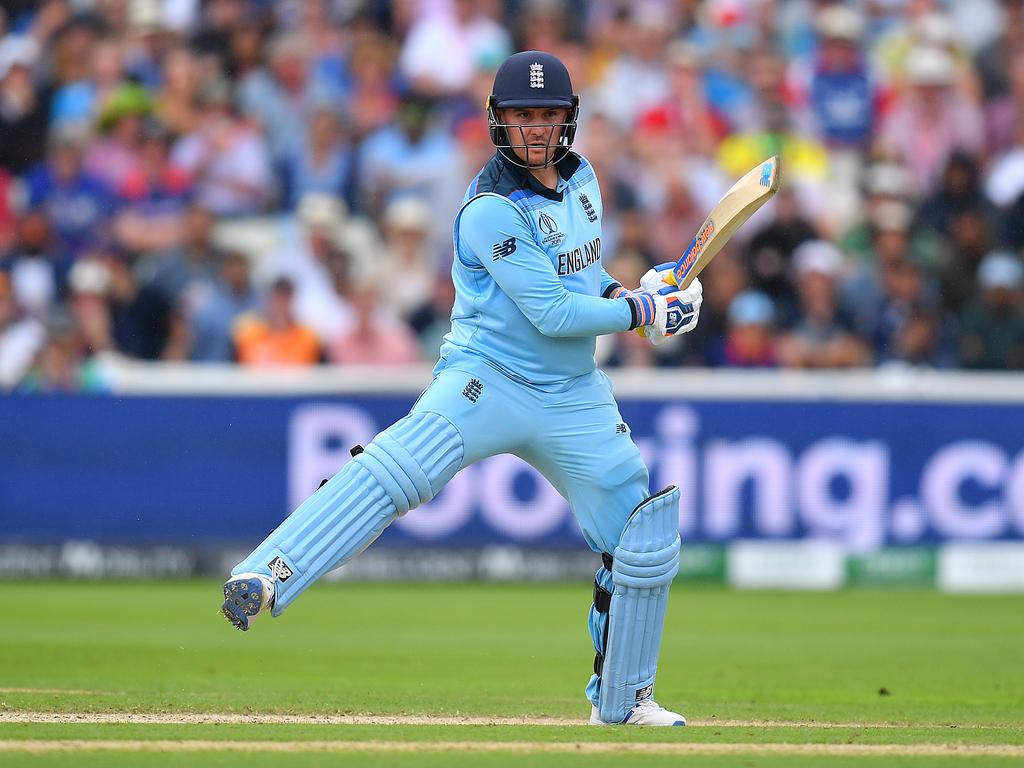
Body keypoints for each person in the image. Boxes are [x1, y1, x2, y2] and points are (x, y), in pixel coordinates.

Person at [220, 51, 703, 727]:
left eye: (548, 115)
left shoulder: (585, 178)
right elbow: (553, 314)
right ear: (498, 121)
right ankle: (267, 572)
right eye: (522, 115)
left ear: (569, 120)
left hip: (571, 390)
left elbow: (581, 278)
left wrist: (628, 292)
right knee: (397, 471)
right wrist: (646, 314)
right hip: (488, 377)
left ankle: (624, 701)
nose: (536, 128)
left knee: (639, 535)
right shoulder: (489, 209)